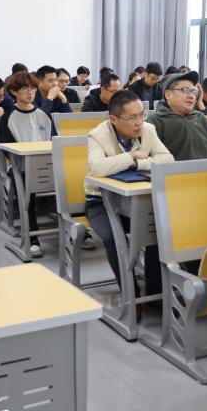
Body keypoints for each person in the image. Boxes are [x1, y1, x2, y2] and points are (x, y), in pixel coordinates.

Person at [85, 90, 173, 297]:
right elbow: (97, 168)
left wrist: (137, 163)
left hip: (138, 202)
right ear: (113, 119)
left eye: (142, 114)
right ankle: (130, 293)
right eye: (132, 117)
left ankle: (155, 293)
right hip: (102, 203)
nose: (139, 122)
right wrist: (131, 156)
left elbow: (168, 159)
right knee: (113, 237)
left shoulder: (148, 129)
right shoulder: (98, 135)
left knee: (158, 231)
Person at [0, 72, 56, 258]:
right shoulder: (8, 118)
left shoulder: (44, 115)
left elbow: (55, 143)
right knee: (25, 183)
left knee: (70, 180)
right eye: (25, 89)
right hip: (20, 167)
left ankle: (78, 230)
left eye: (33, 88)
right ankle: (32, 238)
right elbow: (7, 151)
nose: (30, 92)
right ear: (14, 91)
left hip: (47, 164)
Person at [147, 70, 207, 161]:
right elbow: (148, 160)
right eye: (185, 90)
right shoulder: (153, 123)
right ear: (168, 94)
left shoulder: (201, 118)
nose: (191, 96)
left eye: (194, 92)